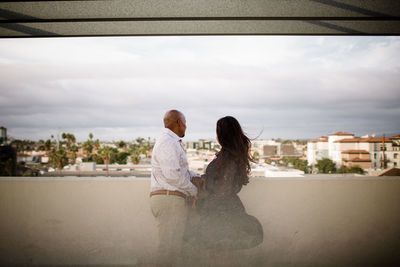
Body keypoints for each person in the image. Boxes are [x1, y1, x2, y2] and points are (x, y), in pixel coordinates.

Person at [184, 116, 263, 262]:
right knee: (222, 255)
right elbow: (220, 183)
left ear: (222, 135)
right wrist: (203, 180)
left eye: (217, 132)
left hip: (221, 214)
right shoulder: (230, 157)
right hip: (226, 211)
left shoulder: (228, 158)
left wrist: (198, 204)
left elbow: (222, 192)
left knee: (220, 256)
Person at [149, 109, 200, 267]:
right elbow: (172, 174)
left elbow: (179, 171)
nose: (186, 127)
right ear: (178, 123)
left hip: (170, 198)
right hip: (169, 199)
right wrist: (194, 191)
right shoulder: (167, 142)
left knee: (173, 248)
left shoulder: (170, 142)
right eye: (185, 123)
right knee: (168, 250)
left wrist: (197, 176)